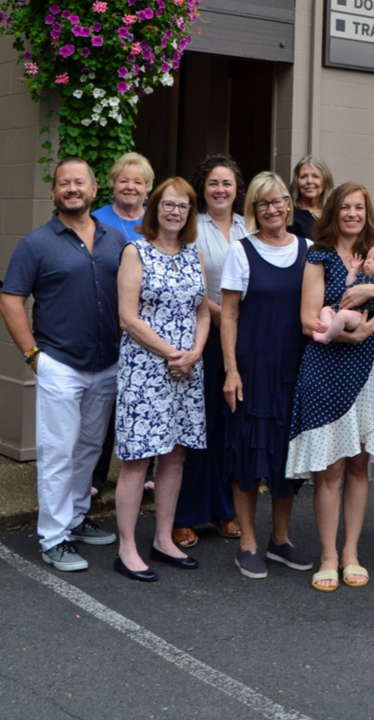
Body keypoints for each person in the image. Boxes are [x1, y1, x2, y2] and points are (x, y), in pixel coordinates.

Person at [286, 185, 374, 591]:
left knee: (358, 464)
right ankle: (328, 555)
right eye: (345, 207)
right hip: (328, 364)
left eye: (360, 207)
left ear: (367, 212)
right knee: (331, 467)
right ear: (334, 212)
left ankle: (350, 553)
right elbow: (308, 320)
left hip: (370, 368)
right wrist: (350, 336)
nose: (353, 214)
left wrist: (373, 289)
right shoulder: (319, 255)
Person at [1, 158, 122, 571]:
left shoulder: (114, 238)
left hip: (106, 364)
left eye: (79, 182)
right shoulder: (35, 244)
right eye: (64, 183)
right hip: (60, 365)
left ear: (93, 189)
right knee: (57, 453)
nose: (72, 189)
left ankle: (74, 518)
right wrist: (33, 356)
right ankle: (53, 538)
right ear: (54, 193)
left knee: (88, 449)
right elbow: (11, 299)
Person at [113, 177, 209, 582]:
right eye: (168, 204)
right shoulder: (135, 252)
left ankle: (164, 539)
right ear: (155, 208)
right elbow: (128, 317)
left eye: (183, 206)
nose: (175, 212)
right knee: (138, 459)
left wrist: (196, 352)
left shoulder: (193, 253)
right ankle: (127, 548)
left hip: (186, 370)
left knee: (175, 454)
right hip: (146, 369)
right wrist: (173, 354)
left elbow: (202, 310)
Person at [220, 172, 312, 580]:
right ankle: (248, 543)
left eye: (278, 201)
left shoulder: (308, 249)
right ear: (253, 210)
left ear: (289, 205)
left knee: (286, 456)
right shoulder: (240, 251)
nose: (272, 209)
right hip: (253, 368)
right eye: (263, 203)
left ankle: (280, 538)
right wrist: (231, 370)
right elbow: (229, 315)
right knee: (247, 454)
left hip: (296, 368)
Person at [171, 155, 248, 548]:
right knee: (197, 425)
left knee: (229, 430)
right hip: (205, 335)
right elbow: (192, 285)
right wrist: (224, 317)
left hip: (244, 339)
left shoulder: (249, 225)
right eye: (213, 183)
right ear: (203, 187)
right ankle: (185, 515)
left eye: (227, 183)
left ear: (237, 188)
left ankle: (223, 510)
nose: (220, 190)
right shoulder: (193, 227)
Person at [91, 152, 155, 496]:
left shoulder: (156, 221)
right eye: (123, 180)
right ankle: (96, 475)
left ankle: (147, 471)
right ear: (112, 184)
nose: (130, 186)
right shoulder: (96, 220)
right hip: (105, 322)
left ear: (148, 188)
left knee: (148, 398)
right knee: (104, 402)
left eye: (138, 181)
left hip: (149, 326)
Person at [312, 242, 374, 344]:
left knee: (342, 315)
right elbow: (349, 284)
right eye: (368, 258)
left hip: (360, 314)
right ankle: (330, 327)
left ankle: (327, 337)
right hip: (344, 309)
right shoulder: (362, 276)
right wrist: (353, 269)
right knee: (326, 310)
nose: (369, 261)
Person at [290, 155, 334, 240]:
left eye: (315, 176)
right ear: (297, 182)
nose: (309, 181)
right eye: (303, 176)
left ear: (325, 180)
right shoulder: (290, 215)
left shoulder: (335, 212)